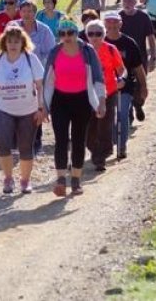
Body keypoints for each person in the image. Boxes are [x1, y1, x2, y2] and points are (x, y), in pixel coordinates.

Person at [0, 25, 45, 194]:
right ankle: (8, 178)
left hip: (28, 110)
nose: (13, 44)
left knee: (26, 147)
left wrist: (42, 108)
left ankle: (25, 181)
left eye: (17, 41)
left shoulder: (30, 59)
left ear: (23, 43)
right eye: (10, 41)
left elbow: (41, 86)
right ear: (4, 43)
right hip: (3, 109)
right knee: (3, 145)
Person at [42, 19, 106, 197]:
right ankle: (61, 179)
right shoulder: (55, 52)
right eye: (62, 34)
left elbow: (98, 78)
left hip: (82, 99)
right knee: (61, 140)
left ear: (77, 33)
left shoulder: (87, 51)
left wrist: (101, 101)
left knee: (78, 140)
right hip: (60, 100)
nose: (66, 37)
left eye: (70, 33)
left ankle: (76, 180)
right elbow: (47, 80)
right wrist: (44, 106)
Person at [11, 0, 55, 155]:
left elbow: (50, 54)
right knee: (16, 107)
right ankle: (16, 143)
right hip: (15, 75)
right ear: (20, 12)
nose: (27, 14)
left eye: (30, 11)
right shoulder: (13, 27)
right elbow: (5, 48)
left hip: (37, 74)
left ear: (35, 12)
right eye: (24, 11)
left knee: (37, 107)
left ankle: (37, 142)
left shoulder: (44, 30)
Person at [82, 20, 124, 172]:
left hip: (109, 92)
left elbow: (120, 69)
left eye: (98, 34)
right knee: (89, 127)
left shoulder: (111, 49)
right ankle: (95, 150)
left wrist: (121, 79)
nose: (94, 37)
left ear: (104, 35)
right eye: (91, 34)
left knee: (104, 126)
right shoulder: (82, 51)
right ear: (86, 35)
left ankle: (101, 156)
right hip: (87, 93)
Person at [104, 12, 146, 158]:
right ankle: (112, 142)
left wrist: (144, 87)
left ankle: (121, 147)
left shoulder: (129, 43)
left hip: (126, 86)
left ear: (120, 24)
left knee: (122, 115)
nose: (112, 25)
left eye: (115, 22)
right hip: (106, 88)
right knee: (111, 117)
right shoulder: (100, 43)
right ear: (105, 25)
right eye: (109, 22)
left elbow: (138, 67)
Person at [118, 0, 155, 122]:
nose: (127, 3)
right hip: (122, 60)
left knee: (140, 86)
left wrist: (153, 57)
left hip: (140, 58)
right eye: (125, 0)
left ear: (135, 2)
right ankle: (128, 111)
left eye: (130, 1)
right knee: (125, 86)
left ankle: (138, 105)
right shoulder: (118, 18)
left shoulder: (143, 17)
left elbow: (151, 37)